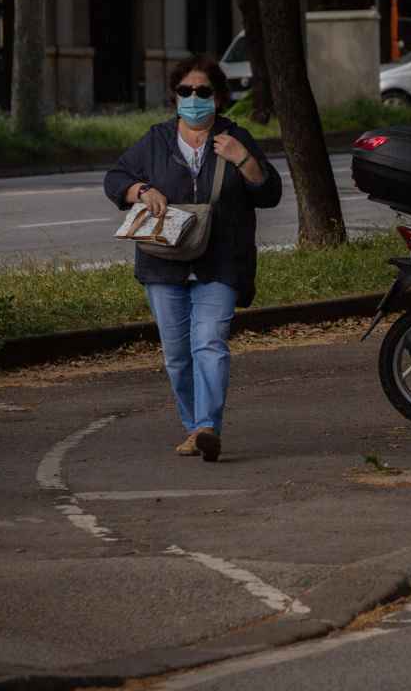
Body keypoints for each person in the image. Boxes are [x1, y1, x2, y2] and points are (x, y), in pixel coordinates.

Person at [104, 56, 283, 462]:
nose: (194, 98)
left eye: (203, 92)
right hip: (163, 263)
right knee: (177, 356)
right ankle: (193, 427)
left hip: (221, 260)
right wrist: (141, 189)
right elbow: (114, 178)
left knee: (210, 342)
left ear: (218, 99)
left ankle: (207, 427)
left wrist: (243, 159)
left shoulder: (236, 138)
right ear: (175, 97)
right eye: (186, 91)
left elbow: (269, 193)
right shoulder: (157, 140)